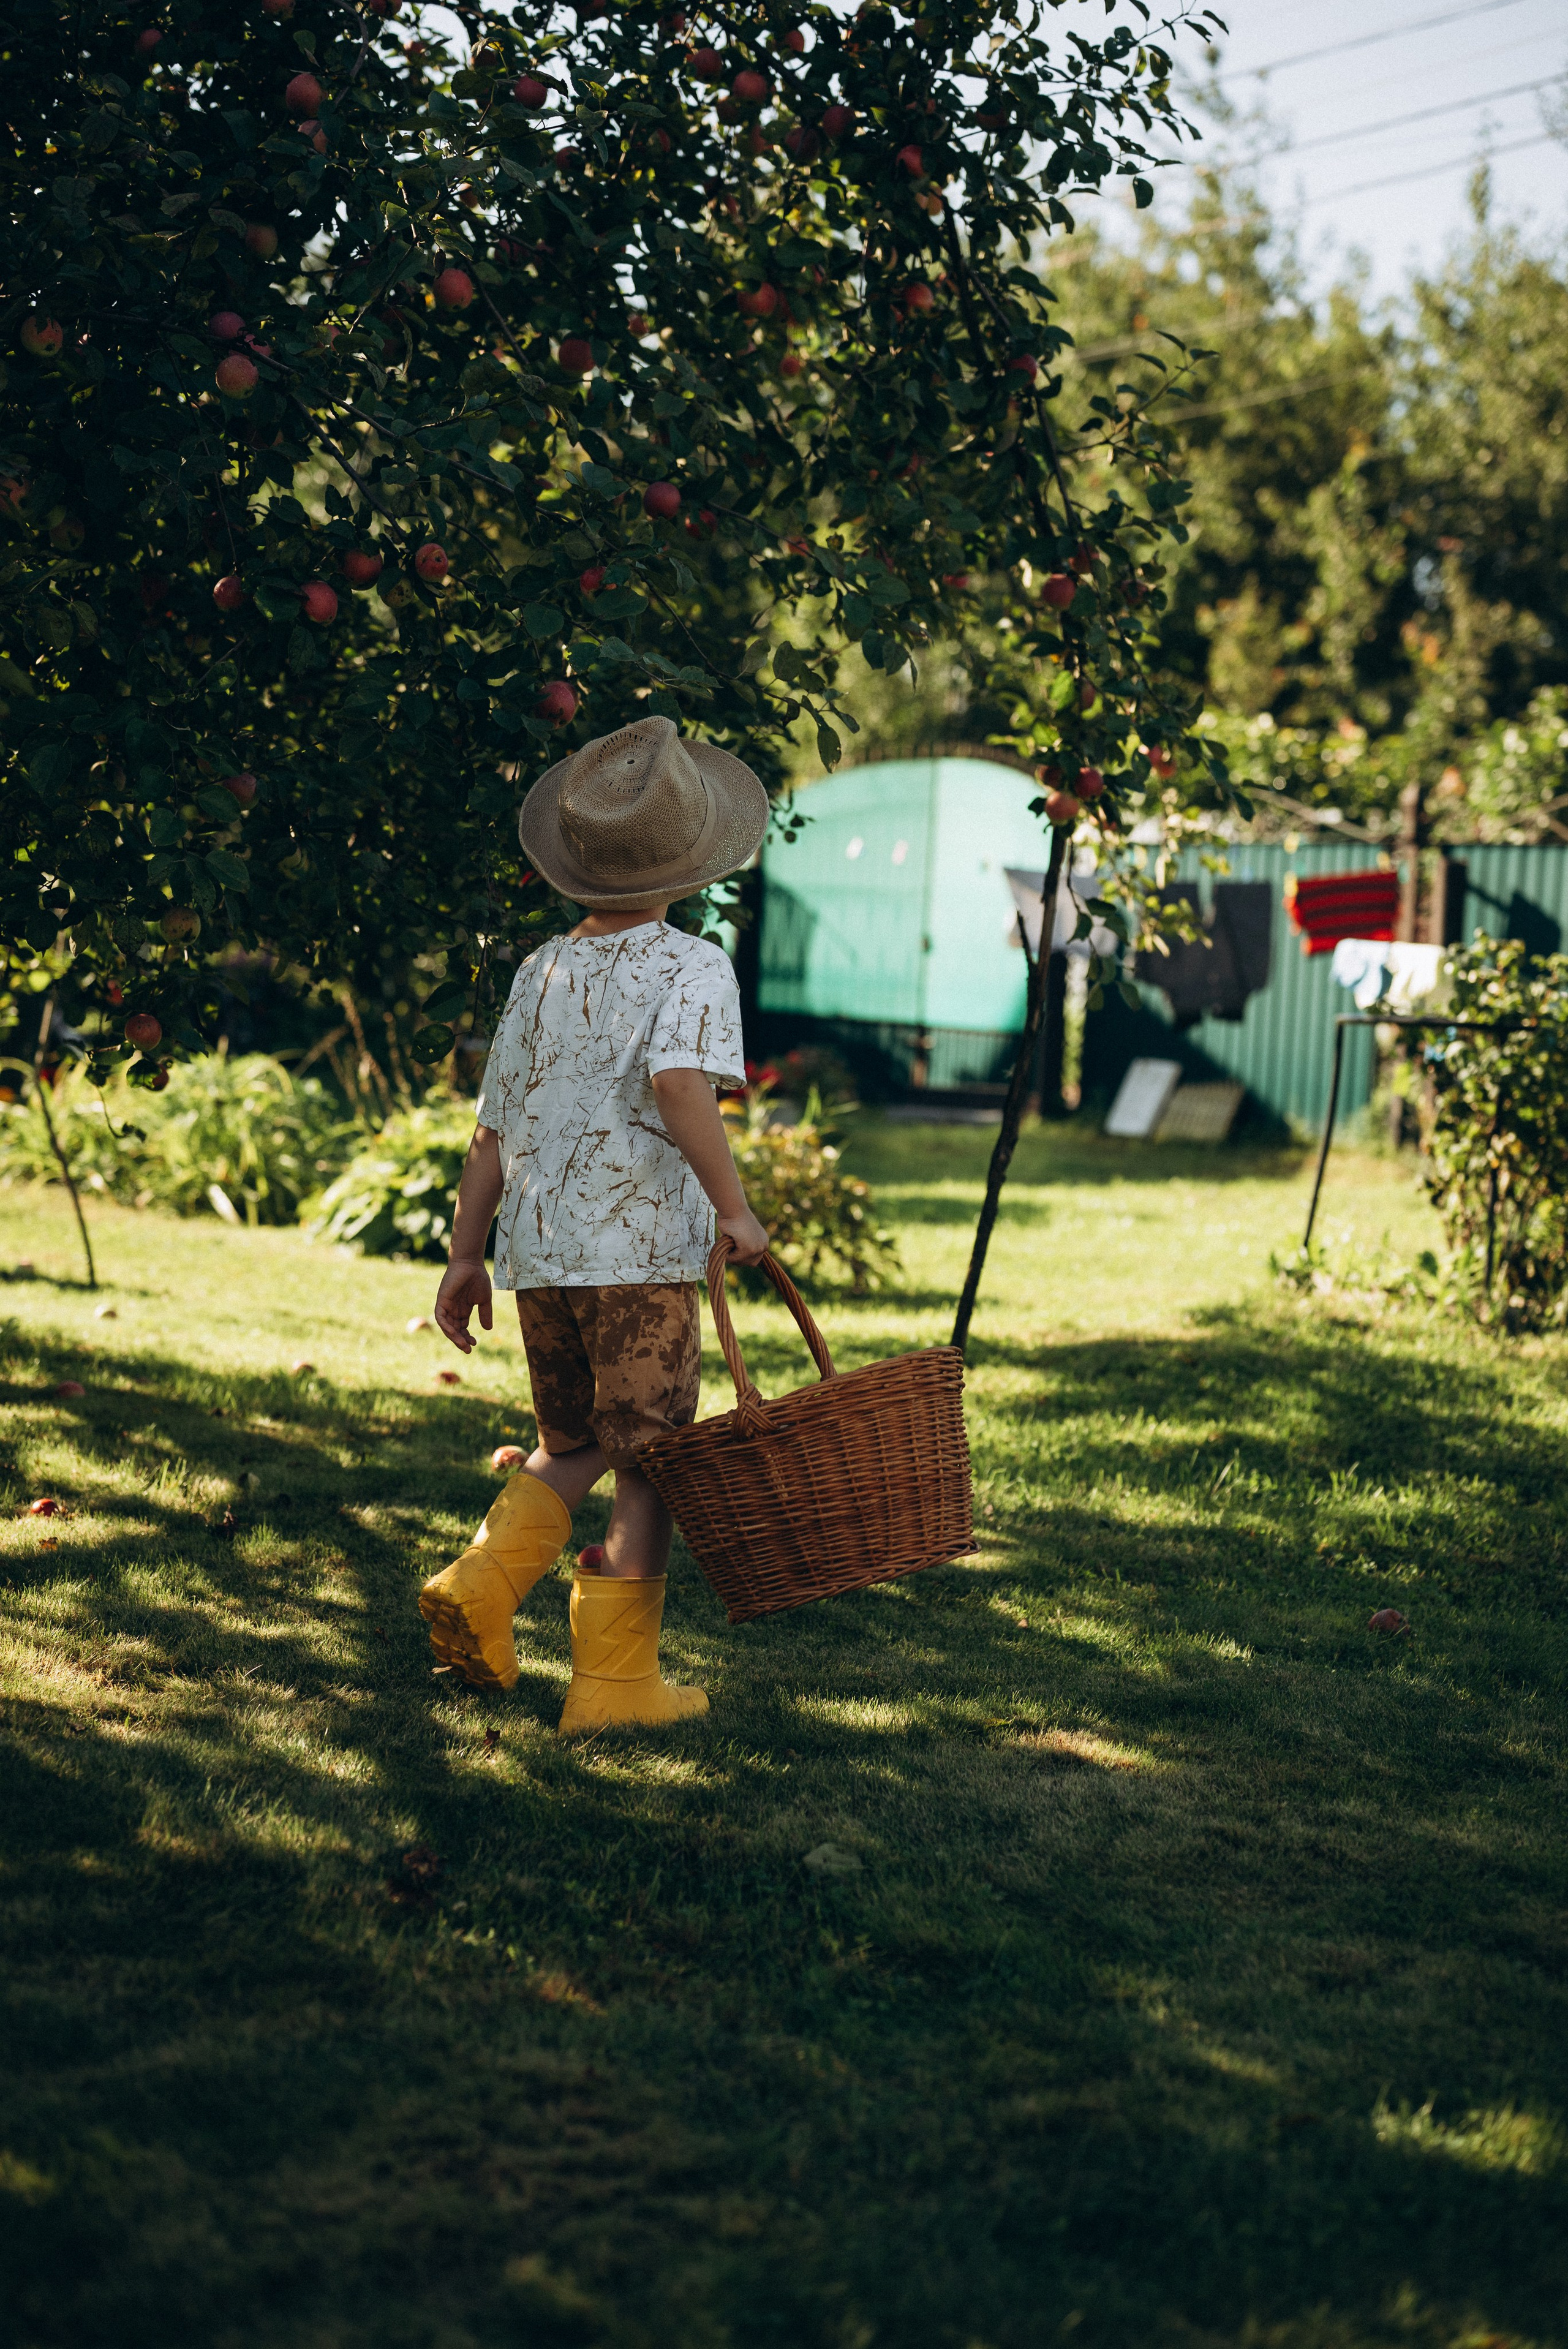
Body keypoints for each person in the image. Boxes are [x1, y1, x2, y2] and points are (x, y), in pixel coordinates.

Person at [418, 716, 771, 1732]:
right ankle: (616, 1687)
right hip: (640, 1259)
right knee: (655, 1456)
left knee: (572, 1440)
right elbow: (676, 1083)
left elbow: (491, 1133)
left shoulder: (541, 973)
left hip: (544, 1258)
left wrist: (464, 1257)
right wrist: (736, 1208)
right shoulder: (691, 965)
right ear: (691, 860)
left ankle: (481, 1588)